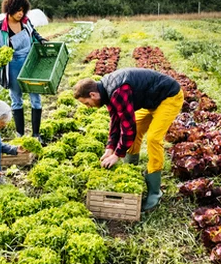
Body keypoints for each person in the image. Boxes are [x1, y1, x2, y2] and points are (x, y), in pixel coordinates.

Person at [73, 68, 184, 210]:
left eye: (87, 103)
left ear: (93, 95)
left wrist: (118, 155)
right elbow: (115, 121)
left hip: (168, 97)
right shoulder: (105, 91)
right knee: (136, 130)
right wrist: (110, 149)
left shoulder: (118, 91)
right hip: (151, 100)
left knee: (153, 139)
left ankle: (155, 191)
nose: (88, 107)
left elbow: (127, 127)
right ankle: (131, 167)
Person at [0, 0, 47, 142]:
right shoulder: (1, 29)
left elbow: (33, 32)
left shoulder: (26, 22)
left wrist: (40, 39)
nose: (21, 13)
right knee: (16, 99)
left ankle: (36, 135)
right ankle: (20, 134)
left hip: (30, 62)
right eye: (17, 10)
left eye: (23, 10)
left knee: (35, 98)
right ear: (9, 9)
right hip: (13, 65)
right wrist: (0, 59)